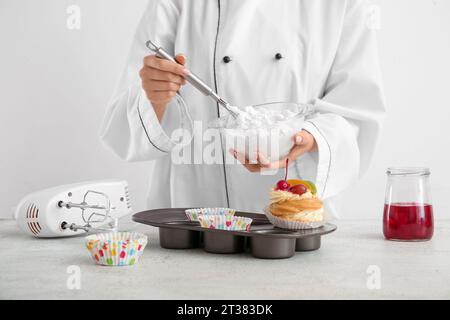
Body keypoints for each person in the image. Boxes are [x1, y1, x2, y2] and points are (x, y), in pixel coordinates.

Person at [100, 0, 385, 217]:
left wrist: (308, 137)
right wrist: (154, 96)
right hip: (192, 217)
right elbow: (121, 129)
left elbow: (357, 109)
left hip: (294, 218)